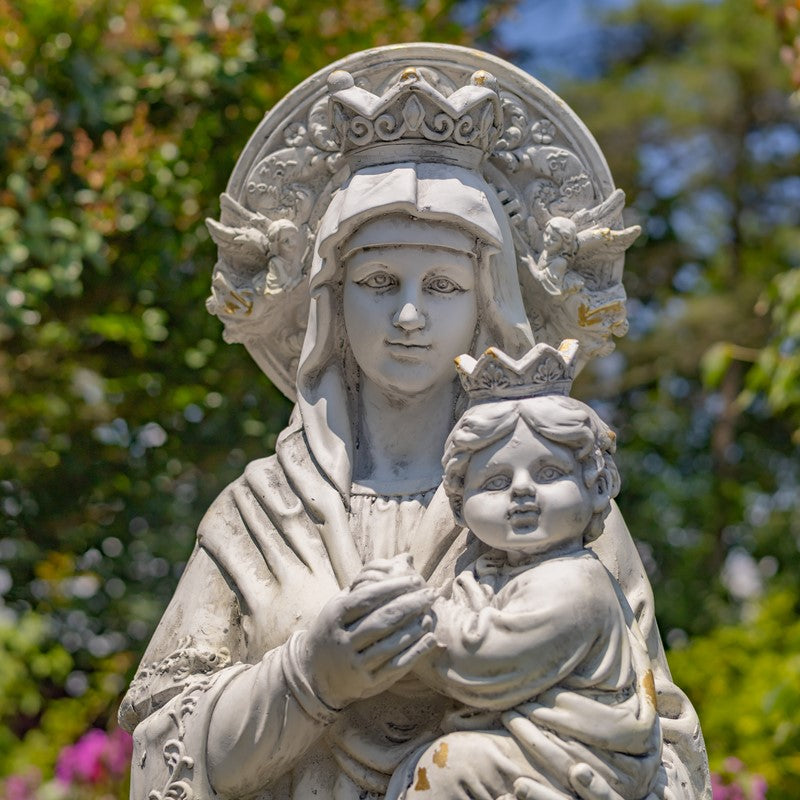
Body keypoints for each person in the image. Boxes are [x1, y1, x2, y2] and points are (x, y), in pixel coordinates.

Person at [120, 72, 709, 800]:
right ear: (333, 301)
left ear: (484, 305)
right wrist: (310, 676)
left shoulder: (557, 504)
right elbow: (160, 752)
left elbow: (660, 740)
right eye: (378, 282)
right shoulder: (259, 515)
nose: (407, 315)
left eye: (441, 287)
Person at [385, 345, 662, 800]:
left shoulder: (575, 583)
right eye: (495, 482)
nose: (521, 492)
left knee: (446, 770)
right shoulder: (494, 571)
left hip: (584, 758)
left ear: (596, 487)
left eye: (550, 472)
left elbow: (487, 660)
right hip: (539, 746)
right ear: (459, 504)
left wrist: (413, 614)